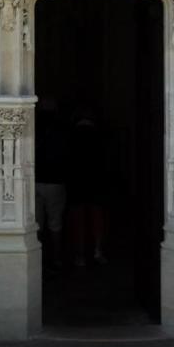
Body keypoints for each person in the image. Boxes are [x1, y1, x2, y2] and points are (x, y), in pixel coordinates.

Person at [67, 105, 107, 267]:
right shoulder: (100, 136)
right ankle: (97, 251)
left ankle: (80, 255)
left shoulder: (71, 136)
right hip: (96, 181)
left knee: (78, 219)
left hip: (77, 182)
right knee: (97, 217)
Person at [35, 97, 67, 271]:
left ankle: (38, 258)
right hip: (55, 181)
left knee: (37, 223)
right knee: (56, 223)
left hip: (37, 180)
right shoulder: (61, 130)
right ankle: (56, 259)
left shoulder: (34, 127)